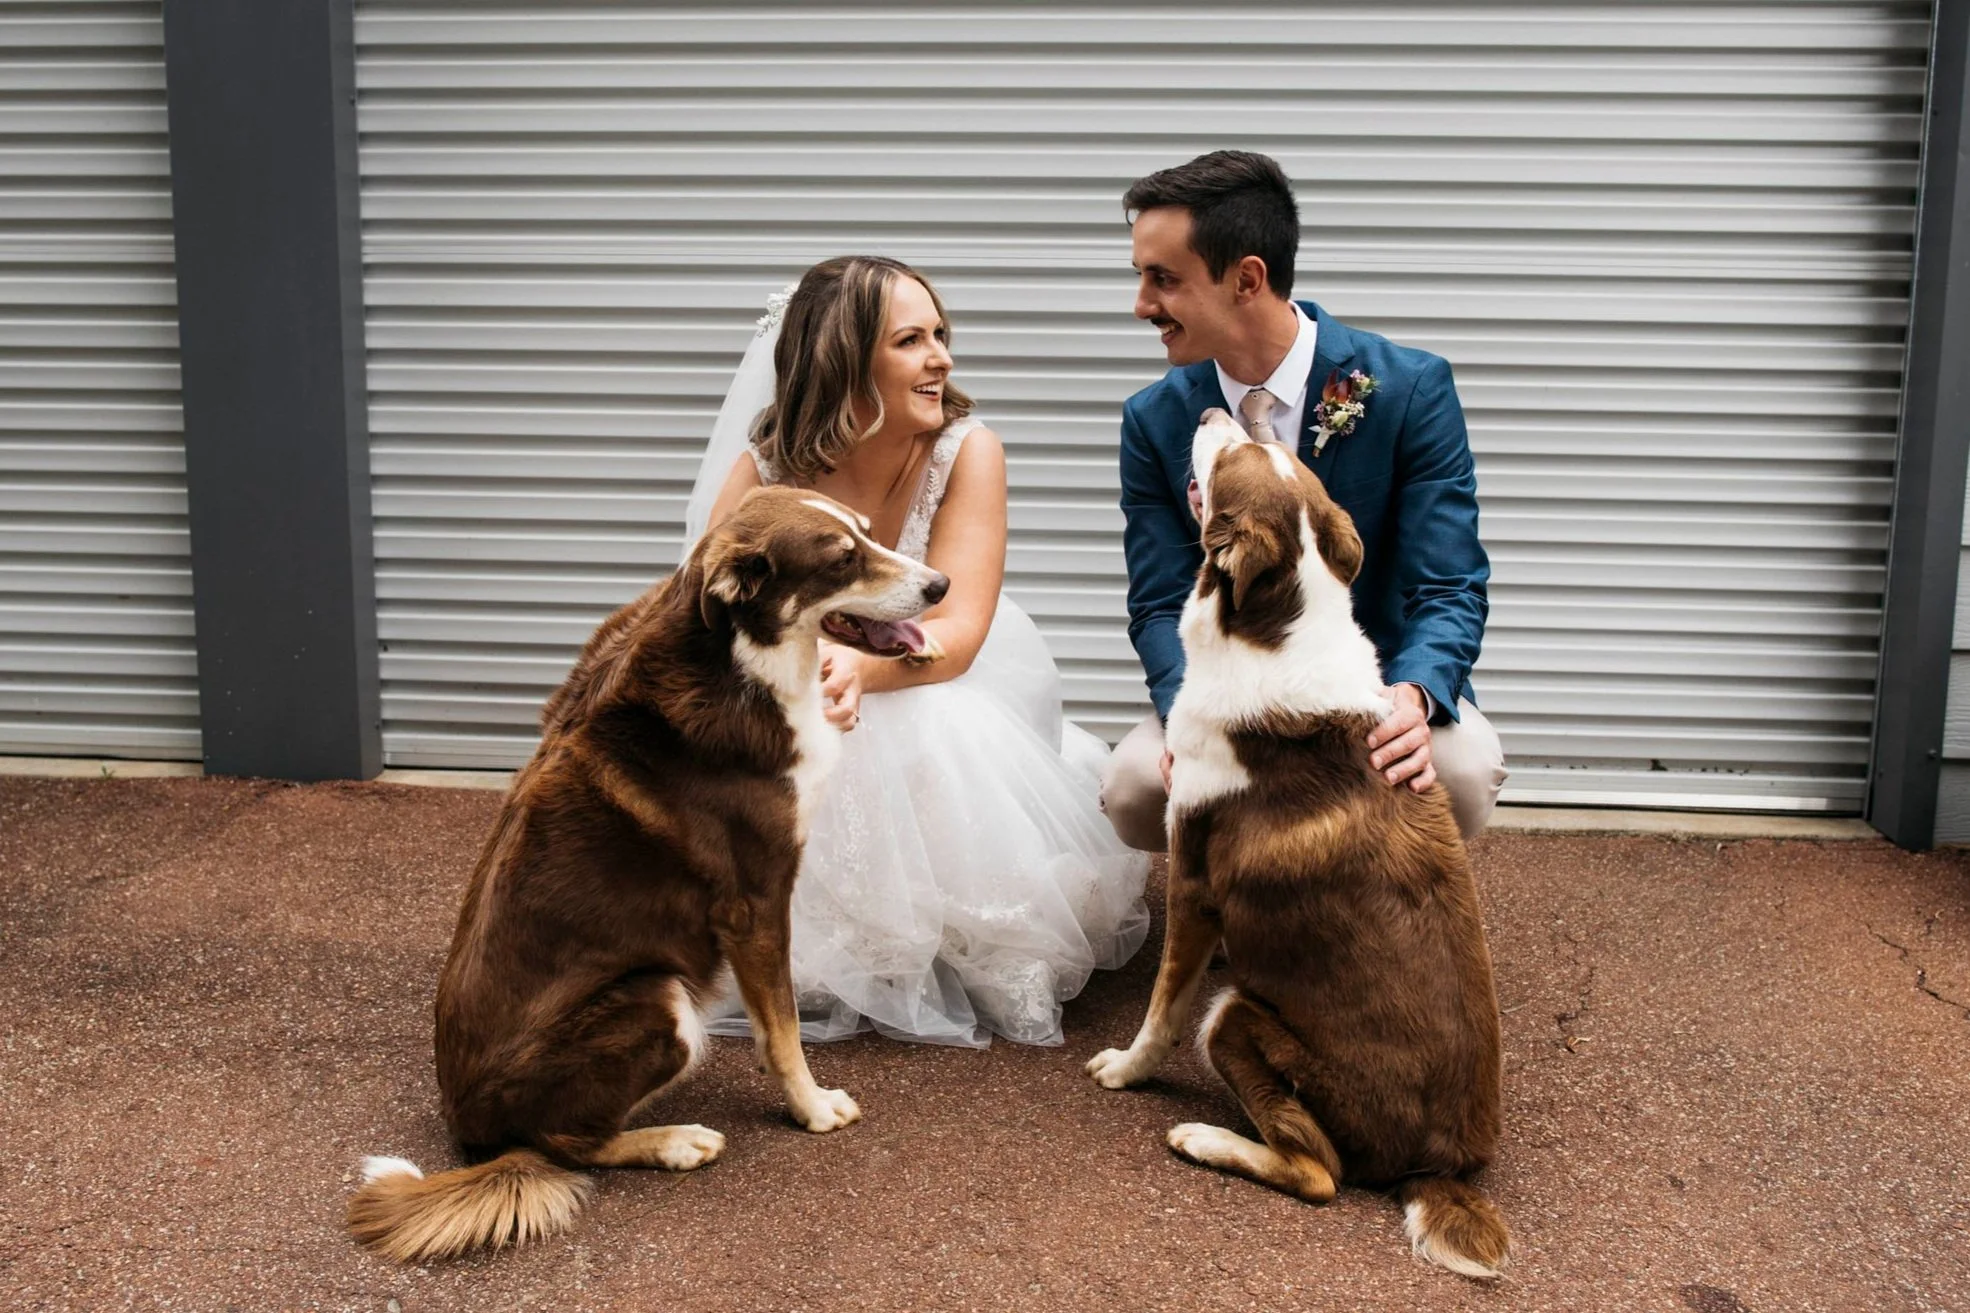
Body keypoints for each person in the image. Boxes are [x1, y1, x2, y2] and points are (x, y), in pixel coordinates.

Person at [688, 255, 1149, 1048]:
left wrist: (860, 669)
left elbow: (960, 629)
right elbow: (705, 612)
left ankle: (937, 921)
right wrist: (802, 673)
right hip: (804, 670)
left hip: (935, 659)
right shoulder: (767, 468)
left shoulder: (966, 450)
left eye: (941, 334)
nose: (942, 357)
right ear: (846, 359)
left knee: (926, 722)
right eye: (911, 340)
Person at [1099, 150, 1507, 849]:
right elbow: (1160, 601)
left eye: (1162, 279)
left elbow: (1448, 584)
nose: (1142, 305)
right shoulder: (1153, 421)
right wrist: (1187, 715)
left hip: (1368, 689)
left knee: (1463, 772)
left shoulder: (1409, 390)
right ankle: (1251, 902)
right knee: (1133, 787)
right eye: (1141, 278)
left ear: (1246, 279)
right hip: (1233, 699)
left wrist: (1411, 696)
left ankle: (1380, 899)